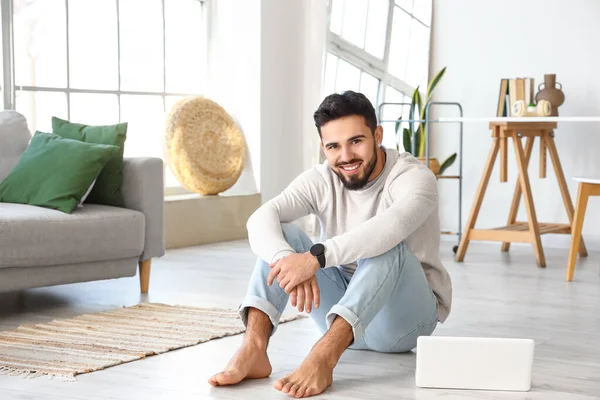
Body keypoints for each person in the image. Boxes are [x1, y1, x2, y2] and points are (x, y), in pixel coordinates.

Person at [208, 91, 452, 398]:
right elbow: (261, 217)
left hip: (401, 323)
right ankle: (254, 347)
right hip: (340, 315)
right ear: (323, 147)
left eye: (356, 141)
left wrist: (314, 260)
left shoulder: (414, 177)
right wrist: (287, 257)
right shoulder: (322, 178)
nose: (346, 156)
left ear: (377, 135)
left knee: (389, 246)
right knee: (285, 234)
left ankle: (323, 357)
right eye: (333, 146)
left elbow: (389, 229)